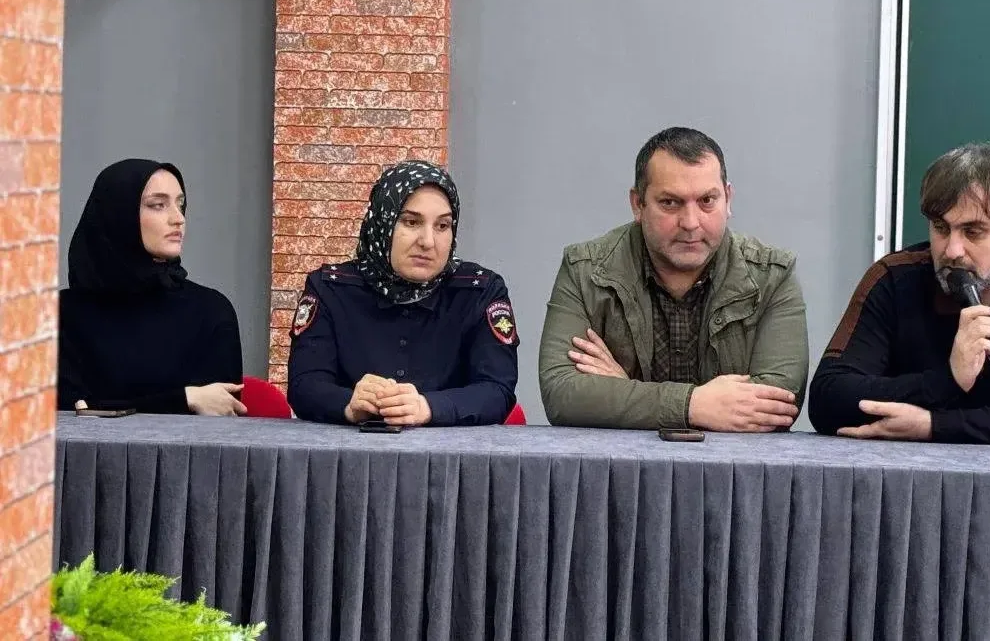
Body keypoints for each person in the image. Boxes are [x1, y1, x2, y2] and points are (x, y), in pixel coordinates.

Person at [808, 142, 990, 444]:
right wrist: (948, 380)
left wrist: (933, 425)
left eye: (973, 232)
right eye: (941, 228)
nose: (952, 251)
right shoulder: (894, 277)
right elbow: (828, 398)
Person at [538, 127, 809, 431]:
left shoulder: (772, 276)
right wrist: (693, 405)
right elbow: (561, 393)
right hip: (622, 463)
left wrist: (625, 394)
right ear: (638, 204)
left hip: (732, 464)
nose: (691, 223)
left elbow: (778, 403)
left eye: (707, 200)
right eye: (670, 203)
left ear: (728, 199)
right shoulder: (586, 271)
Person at [287, 160, 518, 426]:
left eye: (442, 226)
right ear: (382, 223)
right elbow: (304, 385)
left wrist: (428, 407)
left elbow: (497, 390)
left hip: (450, 451)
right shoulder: (331, 288)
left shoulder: (479, 291)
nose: (427, 241)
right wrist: (348, 403)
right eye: (411, 222)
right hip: (349, 448)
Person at [57, 159, 246, 415]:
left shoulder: (211, 311)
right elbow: (68, 416)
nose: (178, 219)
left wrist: (108, 407)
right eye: (158, 205)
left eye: (180, 204)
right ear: (118, 214)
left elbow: (220, 413)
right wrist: (183, 400)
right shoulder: (61, 315)